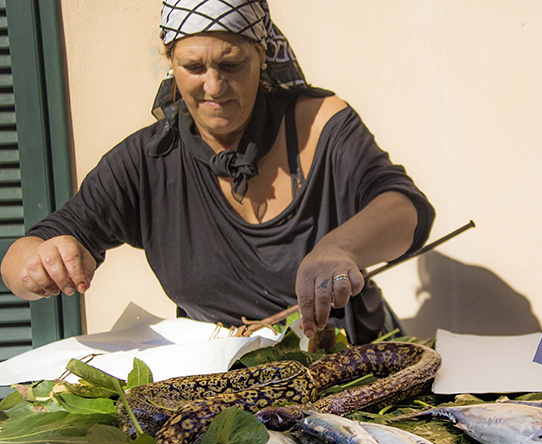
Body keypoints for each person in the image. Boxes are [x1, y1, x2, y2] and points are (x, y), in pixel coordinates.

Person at [0, 0, 434, 345]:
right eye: (194, 67)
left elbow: (407, 209)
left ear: (261, 57)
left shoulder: (318, 124)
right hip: (223, 388)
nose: (213, 87)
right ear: (170, 61)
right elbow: (27, 255)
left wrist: (338, 249)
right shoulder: (149, 160)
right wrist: (36, 265)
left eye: (230, 65)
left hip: (351, 364)